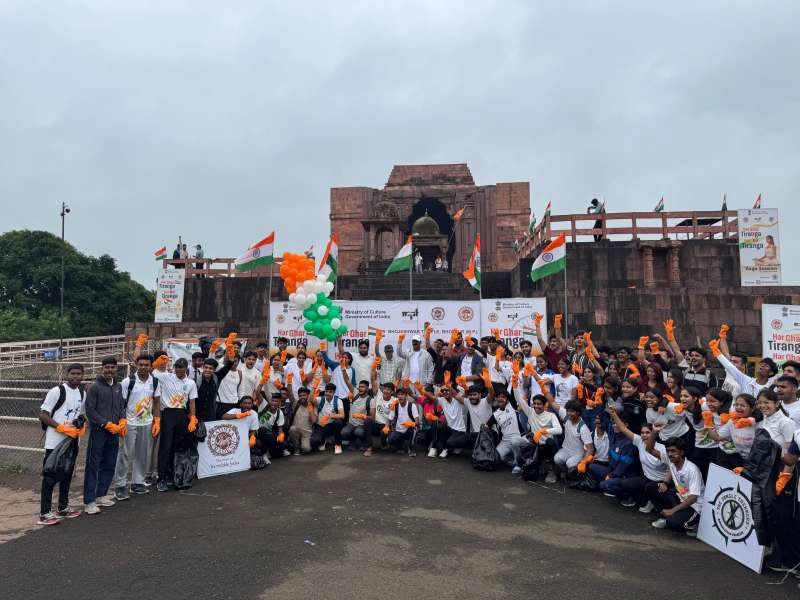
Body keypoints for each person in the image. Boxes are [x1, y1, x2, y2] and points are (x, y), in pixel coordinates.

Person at [38, 363, 86, 525]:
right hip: (54, 442)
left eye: (79, 374)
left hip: (72, 441)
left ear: (83, 376)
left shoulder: (82, 393)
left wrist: (81, 424)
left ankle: (63, 507)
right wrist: (60, 427)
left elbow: (80, 414)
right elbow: (43, 415)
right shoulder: (57, 391)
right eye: (73, 373)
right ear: (67, 374)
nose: (76, 377)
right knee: (49, 476)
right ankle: (44, 513)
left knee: (67, 474)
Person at [83, 356, 126, 514]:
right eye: (107, 367)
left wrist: (122, 420)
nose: (110, 370)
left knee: (109, 463)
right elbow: (90, 410)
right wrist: (105, 423)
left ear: (116, 368)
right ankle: (89, 501)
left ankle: (101, 495)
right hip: (99, 431)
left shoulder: (118, 386)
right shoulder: (94, 387)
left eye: (112, 367)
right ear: (102, 369)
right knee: (93, 465)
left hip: (114, 431)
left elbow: (121, 406)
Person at [113, 355, 160, 500]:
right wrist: (122, 420)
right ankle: (120, 485)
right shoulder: (128, 382)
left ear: (151, 366)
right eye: (141, 365)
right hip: (130, 423)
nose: (143, 367)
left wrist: (157, 420)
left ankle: (137, 483)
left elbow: (156, 402)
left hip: (147, 423)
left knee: (142, 454)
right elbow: (120, 403)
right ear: (136, 365)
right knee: (125, 454)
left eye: (146, 365)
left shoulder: (155, 381)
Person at [645, 437, 704, 536]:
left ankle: (696, 524)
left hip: (695, 506)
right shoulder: (671, 460)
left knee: (673, 524)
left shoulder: (692, 470)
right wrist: (665, 483)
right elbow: (649, 449)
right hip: (681, 499)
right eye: (668, 451)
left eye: (673, 451)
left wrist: (673, 510)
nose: (669, 454)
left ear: (681, 452)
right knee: (651, 487)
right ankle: (668, 516)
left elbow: (693, 498)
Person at [155, 358, 198, 492]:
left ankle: (171, 474)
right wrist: (156, 364)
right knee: (165, 447)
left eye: (181, 367)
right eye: (177, 367)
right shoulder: (167, 377)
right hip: (168, 413)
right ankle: (161, 478)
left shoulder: (191, 383)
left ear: (186, 368)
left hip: (182, 415)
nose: (179, 369)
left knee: (177, 447)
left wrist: (193, 418)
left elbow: (192, 402)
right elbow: (150, 372)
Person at [516, 394, 562, 483]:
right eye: (535, 403)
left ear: (544, 405)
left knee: (550, 442)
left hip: (547, 447)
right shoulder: (530, 412)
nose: (536, 406)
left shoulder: (551, 415)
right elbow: (519, 398)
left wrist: (543, 431)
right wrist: (514, 387)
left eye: (539, 404)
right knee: (519, 443)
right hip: (535, 447)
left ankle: (551, 471)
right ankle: (527, 466)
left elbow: (559, 430)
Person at [710, 338, 776, 397]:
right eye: (761, 364)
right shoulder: (746, 380)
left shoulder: (771, 387)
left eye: (766, 366)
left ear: (771, 372)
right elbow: (729, 365)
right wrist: (717, 352)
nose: (762, 366)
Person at [435, 382, 469, 458]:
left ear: (451, 390)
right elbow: (433, 398)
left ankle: (452, 447)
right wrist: (438, 392)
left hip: (460, 431)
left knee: (451, 442)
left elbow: (465, 394)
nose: (445, 392)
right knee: (440, 426)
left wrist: (448, 385)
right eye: (443, 391)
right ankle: (446, 447)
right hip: (450, 429)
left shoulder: (458, 399)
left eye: (447, 390)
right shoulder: (442, 400)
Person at [310, 383, 347, 454]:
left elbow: (342, 415)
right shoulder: (320, 399)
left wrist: (330, 416)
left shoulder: (338, 401)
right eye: (326, 391)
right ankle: (323, 440)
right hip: (320, 426)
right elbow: (310, 399)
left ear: (334, 392)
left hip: (331, 426)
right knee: (313, 442)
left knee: (338, 422)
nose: (327, 393)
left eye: (330, 392)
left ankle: (338, 445)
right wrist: (314, 387)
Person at [341, 379, 375, 455]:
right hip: (351, 423)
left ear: (367, 388)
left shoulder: (371, 400)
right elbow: (347, 381)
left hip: (361, 425)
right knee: (344, 433)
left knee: (358, 432)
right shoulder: (355, 393)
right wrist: (343, 371)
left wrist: (362, 416)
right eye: (359, 387)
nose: (360, 388)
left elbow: (372, 418)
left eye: (362, 387)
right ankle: (352, 442)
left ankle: (363, 442)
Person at [387, 387, 420, 455]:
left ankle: (411, 447)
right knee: (389, 440)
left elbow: (418, 422)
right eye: (398, 394)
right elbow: (389, 419)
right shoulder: (395, 406)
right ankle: (400, 446)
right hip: (399, 430)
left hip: (409, 430)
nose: (400, 396)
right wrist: (386, 427)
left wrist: (411, 424)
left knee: (413, 429)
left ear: (406, 396)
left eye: (402, 394)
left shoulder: (412, 406)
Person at [255, 392, 288, 459]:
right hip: (259, 433)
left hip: (270, 433)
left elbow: (280, 429)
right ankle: (264, 454)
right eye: (272, 401)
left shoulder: (279, 412)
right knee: (263, 430)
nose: (273, 403)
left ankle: (279, 450)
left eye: (276, 401)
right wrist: (260, 385)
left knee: (279, 451)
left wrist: (281, 441)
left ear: (279, 403)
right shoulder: (264, 406)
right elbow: (257, 393)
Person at [287, 385, 316, 455]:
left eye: (304, 395)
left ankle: (303, 444)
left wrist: (310, 408)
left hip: (307, 433)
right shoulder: (296, 404)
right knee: (292, 429)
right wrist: (289, 383)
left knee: (306, 449)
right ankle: (296, 448)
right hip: (296, 430)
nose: (302, 397)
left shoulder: (312, 406)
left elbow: (313, 420)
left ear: (308, 396)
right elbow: (290, 393)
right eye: (300, 395)